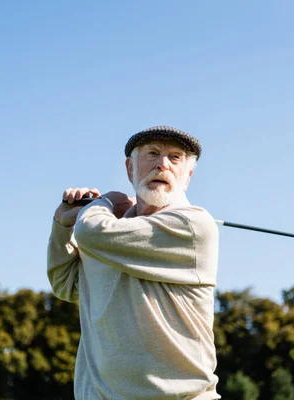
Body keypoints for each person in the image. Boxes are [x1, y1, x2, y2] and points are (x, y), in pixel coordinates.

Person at [47, 126, 220, 399]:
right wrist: (62, 225)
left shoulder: (193, 225)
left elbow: (93, 231)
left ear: (188, 176)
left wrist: (102, 203)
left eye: (175, 157)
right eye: (152, 154)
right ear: (130, 169)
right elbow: (65, 284)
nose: (163, 164)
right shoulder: (106, 231)